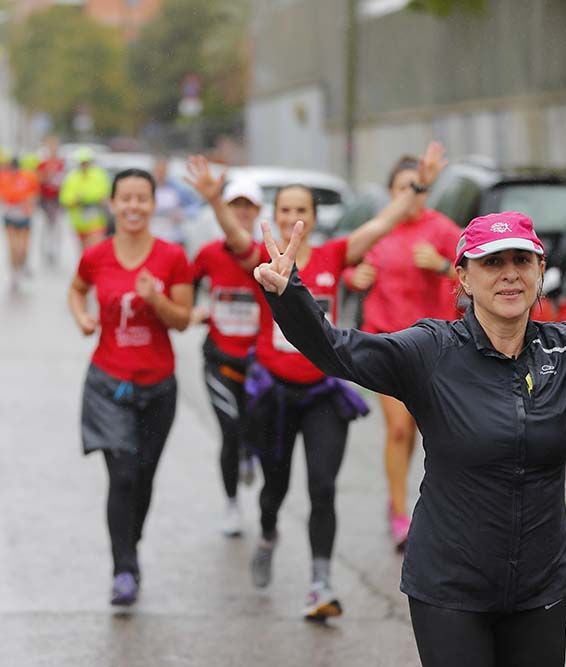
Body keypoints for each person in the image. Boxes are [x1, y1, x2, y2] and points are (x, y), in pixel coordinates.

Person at [252, 211, 566, 665]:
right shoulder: (430, 351)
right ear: (464, 277)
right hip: (449, 591)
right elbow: (339, 351)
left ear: (539, 271)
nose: (509, 273)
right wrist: (289, 296)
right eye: (493, 262)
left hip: (539, 590)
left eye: (521, 260)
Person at [208, 148, 442, 621]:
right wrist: (217, 201)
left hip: (322, 394)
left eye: (303, 211)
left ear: (314, 218)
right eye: (286, 210)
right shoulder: (261, 257)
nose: (295, 217)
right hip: (272, 393)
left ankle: (320, 584)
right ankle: (269, 532)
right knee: (274, 488)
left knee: (322, 487)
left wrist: (416, 189)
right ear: (275, 217)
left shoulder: (336, 255)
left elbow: (380, 225)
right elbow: (234, 235)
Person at [68, 168, 194, 607]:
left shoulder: (173, 257)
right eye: (126, 198)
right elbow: (76, 289)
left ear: (154, 204)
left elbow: (182, 319)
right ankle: (123, 568)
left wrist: (156, 299)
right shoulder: (96, 254)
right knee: (121, 475)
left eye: (142, 198)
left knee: (143, 477)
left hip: (158, 387)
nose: (134, 206)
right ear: (113, 204)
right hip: (108, 384)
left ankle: (129, 543)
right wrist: (82, 317)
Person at [342, 147, 459, 551]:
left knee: (426, 433)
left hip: (435, 345)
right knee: (397, 427)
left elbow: (478, 277)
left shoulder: (444, 231)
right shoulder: (380, 229)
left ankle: (427, 510)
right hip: (386, 341)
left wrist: (443, 266)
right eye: (402, 189)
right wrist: (354, 276)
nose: (411, 196)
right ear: (391, 194)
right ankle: (397, 512)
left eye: (418, 189)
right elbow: (344, 261)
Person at [184, 156, 264, 536]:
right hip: (219, 357)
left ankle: (250, 450)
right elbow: (185, 284)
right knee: (229, 429)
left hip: (259, 364)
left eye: (249, 207)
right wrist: (191, 309)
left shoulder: (266, 255)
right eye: (236, 206)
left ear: (259, 212)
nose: (242, 213)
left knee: (254, 431)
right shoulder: (209, 254)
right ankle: (232, 504)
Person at [0, 157, 40, 290]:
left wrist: (28, 201)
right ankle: (14, 274)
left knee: (23, 248)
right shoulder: (2, 177)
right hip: (9, 215)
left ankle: (22, 265)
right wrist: (3, 200)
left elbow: (35, 194)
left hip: (24, 215)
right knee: (13, 247)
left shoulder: (28, 177)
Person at [59, 147, 110, 253]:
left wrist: (101, 200)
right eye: (82, 163)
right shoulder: (72, 178)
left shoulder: (99, 175)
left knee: (94, 250)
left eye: (87, 163)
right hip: (79, 223)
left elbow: (108, 195)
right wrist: (76, 200)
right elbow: (64, 199)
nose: (85, 166)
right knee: (85, 253)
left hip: (96, 220)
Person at [150, 156, 198, 246]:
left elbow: (195, 206)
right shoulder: (146, 188)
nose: (160, 173)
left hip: (173, 238)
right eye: (158, 170)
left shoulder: (178, 189)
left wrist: (183, 213)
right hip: (152, 238)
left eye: (163, 170)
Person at [36, 137, 67, 265]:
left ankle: (54, 249)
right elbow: (38, 179)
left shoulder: (62, 163)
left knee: (56, 224)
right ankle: (46, 249)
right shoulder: (43, 164)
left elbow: (65, 180)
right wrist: (47, 175)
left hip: (58, 198)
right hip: (46, 198)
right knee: (47, 224)